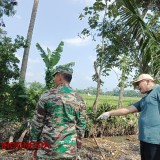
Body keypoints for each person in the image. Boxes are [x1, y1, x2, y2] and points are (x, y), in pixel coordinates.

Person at [97, 74, 160, 160]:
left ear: (147, 81)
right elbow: (128, 109)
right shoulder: (145, 98)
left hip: (155, 140)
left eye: (138, 84)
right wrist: (109, 113)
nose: (137, 87)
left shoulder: (158, 90)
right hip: (145, 139)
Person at [30, 65, 86, 160]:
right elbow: (81, 127)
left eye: (55, 76)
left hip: (47, 151)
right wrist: (77, 149)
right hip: (69, 151)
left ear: (60, 76)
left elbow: (37, 123)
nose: (54, 79)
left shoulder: (47, 96)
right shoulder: (79, 99)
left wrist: (34, 147)